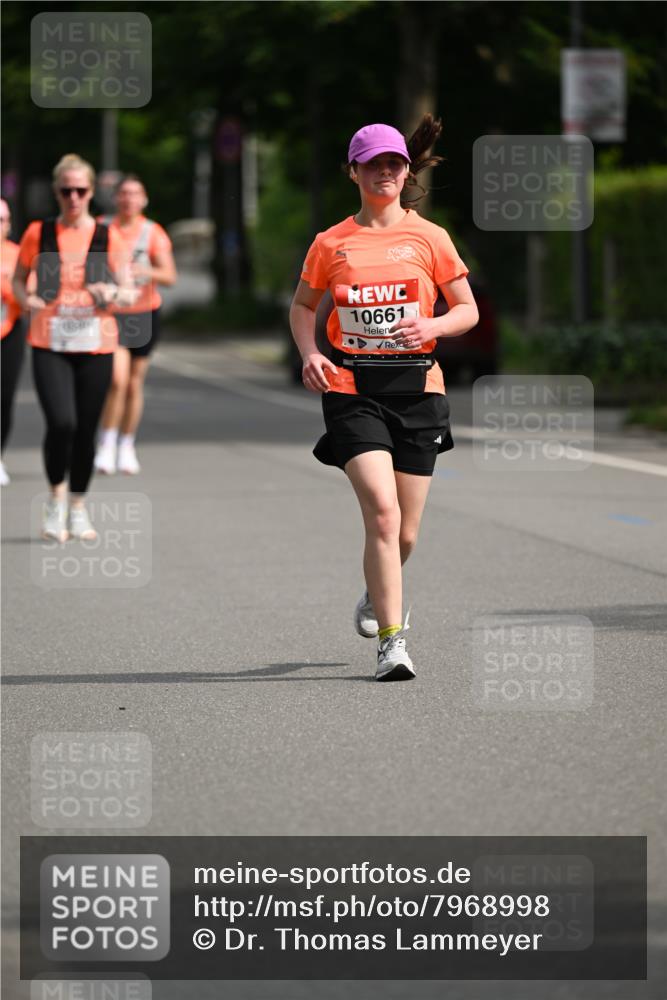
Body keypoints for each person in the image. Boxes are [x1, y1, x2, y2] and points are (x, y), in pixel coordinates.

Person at [289, 117, 478, 682]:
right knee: (382, 511)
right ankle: (393, 643)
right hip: (352, 390)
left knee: (406, 534)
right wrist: (310, 354)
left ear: (406, 169)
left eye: (394, 162)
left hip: (419, 390)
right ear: (355, 172)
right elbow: (302, 308)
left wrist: (434, 327)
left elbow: (466, 310)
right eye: (374, 163)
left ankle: (377, 594)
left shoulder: (431, 237)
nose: (386, 171)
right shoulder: (332, 242)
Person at [12, 153, 134, 541]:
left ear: (92, 192)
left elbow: (130, 290)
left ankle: (78, 505)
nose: (74, 197)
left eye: (81, 190)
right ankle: (54, 500)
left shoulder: (107, 236)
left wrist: (112, 291)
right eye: (66, 190)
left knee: (85, 430)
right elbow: (18, 280)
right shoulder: (38, 233)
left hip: (96, 344)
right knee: (61, 422)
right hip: (49, 341)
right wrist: (25, 299)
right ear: (56, 192)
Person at [94, 175, 177, 475]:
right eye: (124, 194)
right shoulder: (101, 227)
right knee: (116, 380)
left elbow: (170, 276)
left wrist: (148, 270)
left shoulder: (152, 232)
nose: (129, 199)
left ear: (144, 200)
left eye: (135, 194)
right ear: (115, 198)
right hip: (110, 313)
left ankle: (127, 444)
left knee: (133, 383)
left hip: (144, 312)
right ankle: (106, 443)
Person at [1, 198, 25, 485]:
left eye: (1, 219)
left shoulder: (18, 253)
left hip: (9, 329)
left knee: (4, 397)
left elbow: (31, 295)